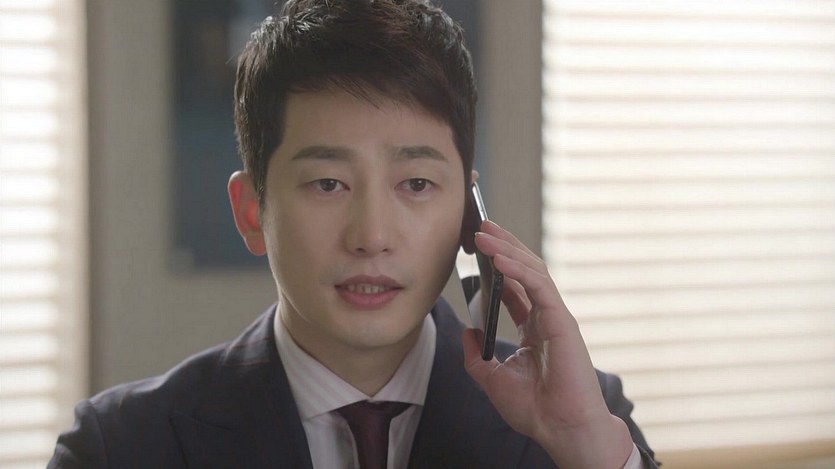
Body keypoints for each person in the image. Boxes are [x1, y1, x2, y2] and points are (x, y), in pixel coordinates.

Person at [49, 0, 659, 467]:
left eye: (416, 183)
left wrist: (584, 445)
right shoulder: (120, 445)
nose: (371, 236)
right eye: (328, 183)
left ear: (468, 217)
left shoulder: (583, 420)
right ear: (252, 211)